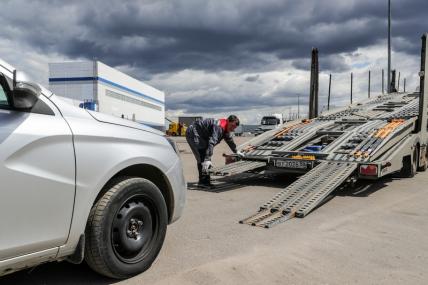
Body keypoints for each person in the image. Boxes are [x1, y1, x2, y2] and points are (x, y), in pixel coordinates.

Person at [186, 115, 244, 188]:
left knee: (205, 156)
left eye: (234, 128)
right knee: (203, 157)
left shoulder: (226, 127)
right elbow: (212, 142)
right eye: (232, 126)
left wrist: (236, 151)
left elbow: (229, 140)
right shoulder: (219, 127)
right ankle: (203, 182)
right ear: (228, 121)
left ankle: (205, 179)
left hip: (201, 135)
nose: (233, 129)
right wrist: (207, 159)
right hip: (194, 133)